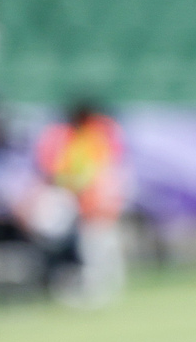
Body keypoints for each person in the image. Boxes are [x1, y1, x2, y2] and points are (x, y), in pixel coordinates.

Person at [33, 97, 126, 306]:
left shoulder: (98, 134)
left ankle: (103, 291)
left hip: (95, 204)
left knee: (99, 249)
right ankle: (89, 290)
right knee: (87, 248)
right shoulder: (72, 136)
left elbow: (100, 172)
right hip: (81, 202)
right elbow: (59, 172)